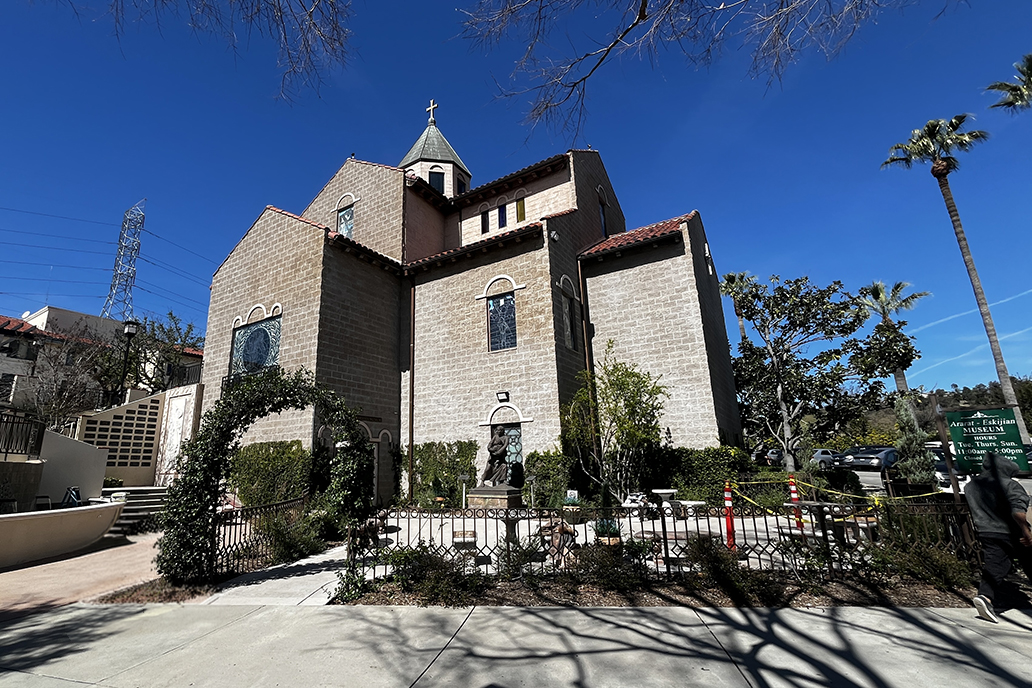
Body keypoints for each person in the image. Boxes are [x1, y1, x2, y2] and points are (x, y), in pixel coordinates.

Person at [964, 452, 1032, 623]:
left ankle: (985, 597)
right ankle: (985, 597)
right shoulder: (1010, 485)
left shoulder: (972, 486)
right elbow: (1017, 511)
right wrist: (1026, 531)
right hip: (1010, 531)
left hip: (985, 530)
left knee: (996, 563)